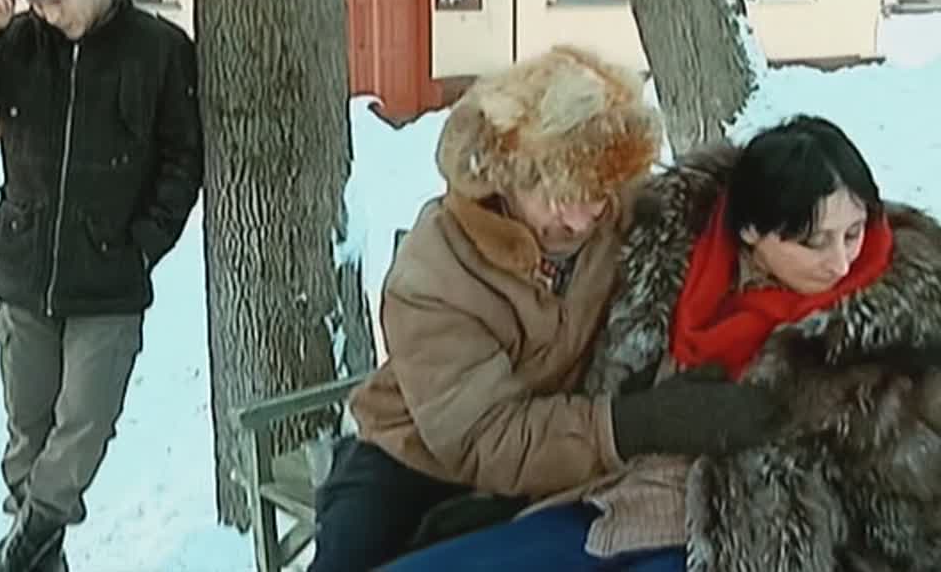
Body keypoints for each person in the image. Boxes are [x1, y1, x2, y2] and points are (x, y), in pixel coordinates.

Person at [386, 115, 941, 570]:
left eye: (853, 233)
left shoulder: (894, 329)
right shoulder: (670, 248)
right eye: (814, 242)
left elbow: (910, 507)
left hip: (746, 542)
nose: (841, 262)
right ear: (751, 232)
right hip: (610, 495)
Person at [308, 46, 783, 572]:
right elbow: (485, 437)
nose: (583, 219)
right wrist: (641, 423)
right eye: (564, 196)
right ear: (509, 177)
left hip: (560, 451)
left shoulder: (614, 211)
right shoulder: (432, 277)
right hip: (417, 451)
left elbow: (718, 214)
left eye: (598, 192)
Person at [0, 0, 202, 572]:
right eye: (37, 3)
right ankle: (38, 560)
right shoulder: (20, 41)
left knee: (83, 424)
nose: (48, 14)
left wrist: (142, 246)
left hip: (110, 278)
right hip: (25, 269)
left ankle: (18, 553)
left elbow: (183, 159)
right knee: (28, 434)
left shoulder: (158, 49)